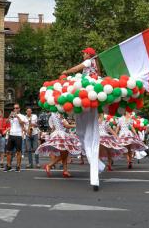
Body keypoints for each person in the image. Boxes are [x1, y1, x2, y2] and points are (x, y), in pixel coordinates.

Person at [62, 47, 102, 191]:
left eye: (84, 53)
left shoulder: (88, 62)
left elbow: (76, 68)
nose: (83, 55)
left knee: (84, 133)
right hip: (89, 98)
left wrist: (66, 72)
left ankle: (95, 175)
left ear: (89, 54)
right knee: (86, 134)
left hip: (86, 97)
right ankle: (98, 166)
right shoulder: (95, 65)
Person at [37, 112, 81, 178]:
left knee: (65, 153)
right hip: (61, 135)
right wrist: (78, 125)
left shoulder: (52, 115)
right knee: (64, 154)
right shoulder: (58, 114)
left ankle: (65, 171)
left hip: (58, 134)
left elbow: (52, 127)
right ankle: (49, 165)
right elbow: (67, 126)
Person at [4, 104, 28, 172]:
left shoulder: (22, 116)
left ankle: (18, 166)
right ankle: (8, 166)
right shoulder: (12, 116)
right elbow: (6, 122)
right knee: (8, 151)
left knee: (18, 152)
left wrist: (17, 116)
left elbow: (22, 123)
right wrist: (9, 116)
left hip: (18, 135)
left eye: (17, 108)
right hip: (11, 135)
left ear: (19, 109)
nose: (15, 109)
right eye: (14, 108)